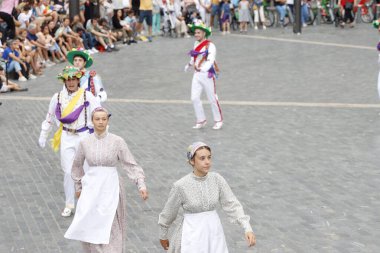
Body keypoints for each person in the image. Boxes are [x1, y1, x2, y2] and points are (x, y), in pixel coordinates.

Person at [64, 107, 148, 252]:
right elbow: (76, 165)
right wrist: (78, 187)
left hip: (111, 187)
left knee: (111, 222)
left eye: (104, 119)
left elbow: (130, 163)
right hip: (91, 189)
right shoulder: (85, 142)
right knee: (91, 224)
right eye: (97, 119)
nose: (101, 122)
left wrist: (141, 184)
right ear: (92, 121)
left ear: (108, 120)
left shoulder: (117, 141)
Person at [158, 142, 256, 252]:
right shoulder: (180, 186)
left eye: (209, 157)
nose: (207, 162)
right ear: (192, 161)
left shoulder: (217, 179)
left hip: (214, 233)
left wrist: (247, 228)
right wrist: (163, 235)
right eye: (202, 158)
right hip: (191, 234)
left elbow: (232, 204)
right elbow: (169, 212)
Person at [38, 66, 100, 217]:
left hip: (84, 136)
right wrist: (43, 134)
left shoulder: (87, 96)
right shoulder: (57, 97)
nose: (71, 82)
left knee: (85, 171)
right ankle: (69, 203)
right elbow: (49, 116)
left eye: (74, 79)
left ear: (78, 80)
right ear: (64, 81)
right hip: (66, 136)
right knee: (67, 172)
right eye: (68, 79)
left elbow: (99, 115)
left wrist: (102, 137)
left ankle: (86, 203)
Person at [185, 21, 223, 130]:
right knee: (194, 98)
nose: (196, 34)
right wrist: (189, 64)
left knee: (212, 98)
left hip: (207, 74)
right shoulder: (196, 44)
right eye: (195, 32)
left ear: (204, 34)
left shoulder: (210, 45)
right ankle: (201, 120)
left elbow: (211, 60)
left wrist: (204, 69)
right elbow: (194, 57)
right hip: (197, 74)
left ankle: (218, 120)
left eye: (198, 32)